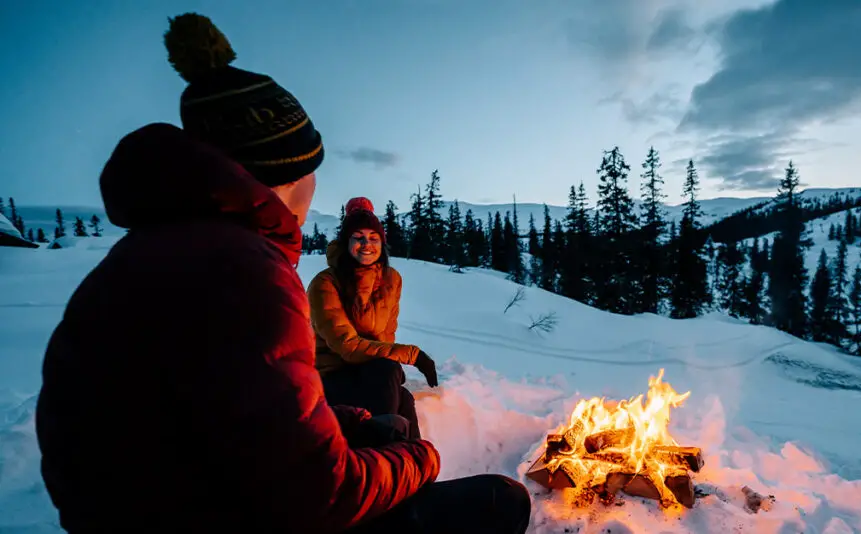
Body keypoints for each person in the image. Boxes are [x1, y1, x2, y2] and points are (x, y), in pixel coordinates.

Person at [34, 12, 531, 534]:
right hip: (235, 506)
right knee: (498, 501)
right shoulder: (246, 275)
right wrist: (421, 459)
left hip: (185, 497)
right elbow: (317, 487)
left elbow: (229, 416)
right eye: (311, 164)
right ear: (290, 174)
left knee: (390, 411)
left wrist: (348, 425)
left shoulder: (148, 258)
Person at [308, 196, 437, 440]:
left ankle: (414, 468)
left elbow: (386, 336)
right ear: (346, 242)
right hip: (332, 378)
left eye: (373, 238)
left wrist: (393, 369)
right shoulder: (325, 283)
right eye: (358, 237)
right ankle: (376, 455)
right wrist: (413, 355)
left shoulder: (391, 280)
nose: (366, 244)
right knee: (386, 370)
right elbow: (347, 347)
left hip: (373, 374)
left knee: (404, 397)